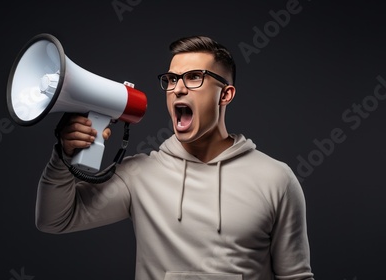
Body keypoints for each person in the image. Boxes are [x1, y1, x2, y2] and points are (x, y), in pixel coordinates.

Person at [35, 35, 314, 280]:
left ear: (225, 95)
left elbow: (296, 277)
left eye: (194, 77)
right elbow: (54, 220)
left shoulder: (276, 179)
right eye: (171, 80)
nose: (178, 88)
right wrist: (63, 156)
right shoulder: (139, 175)